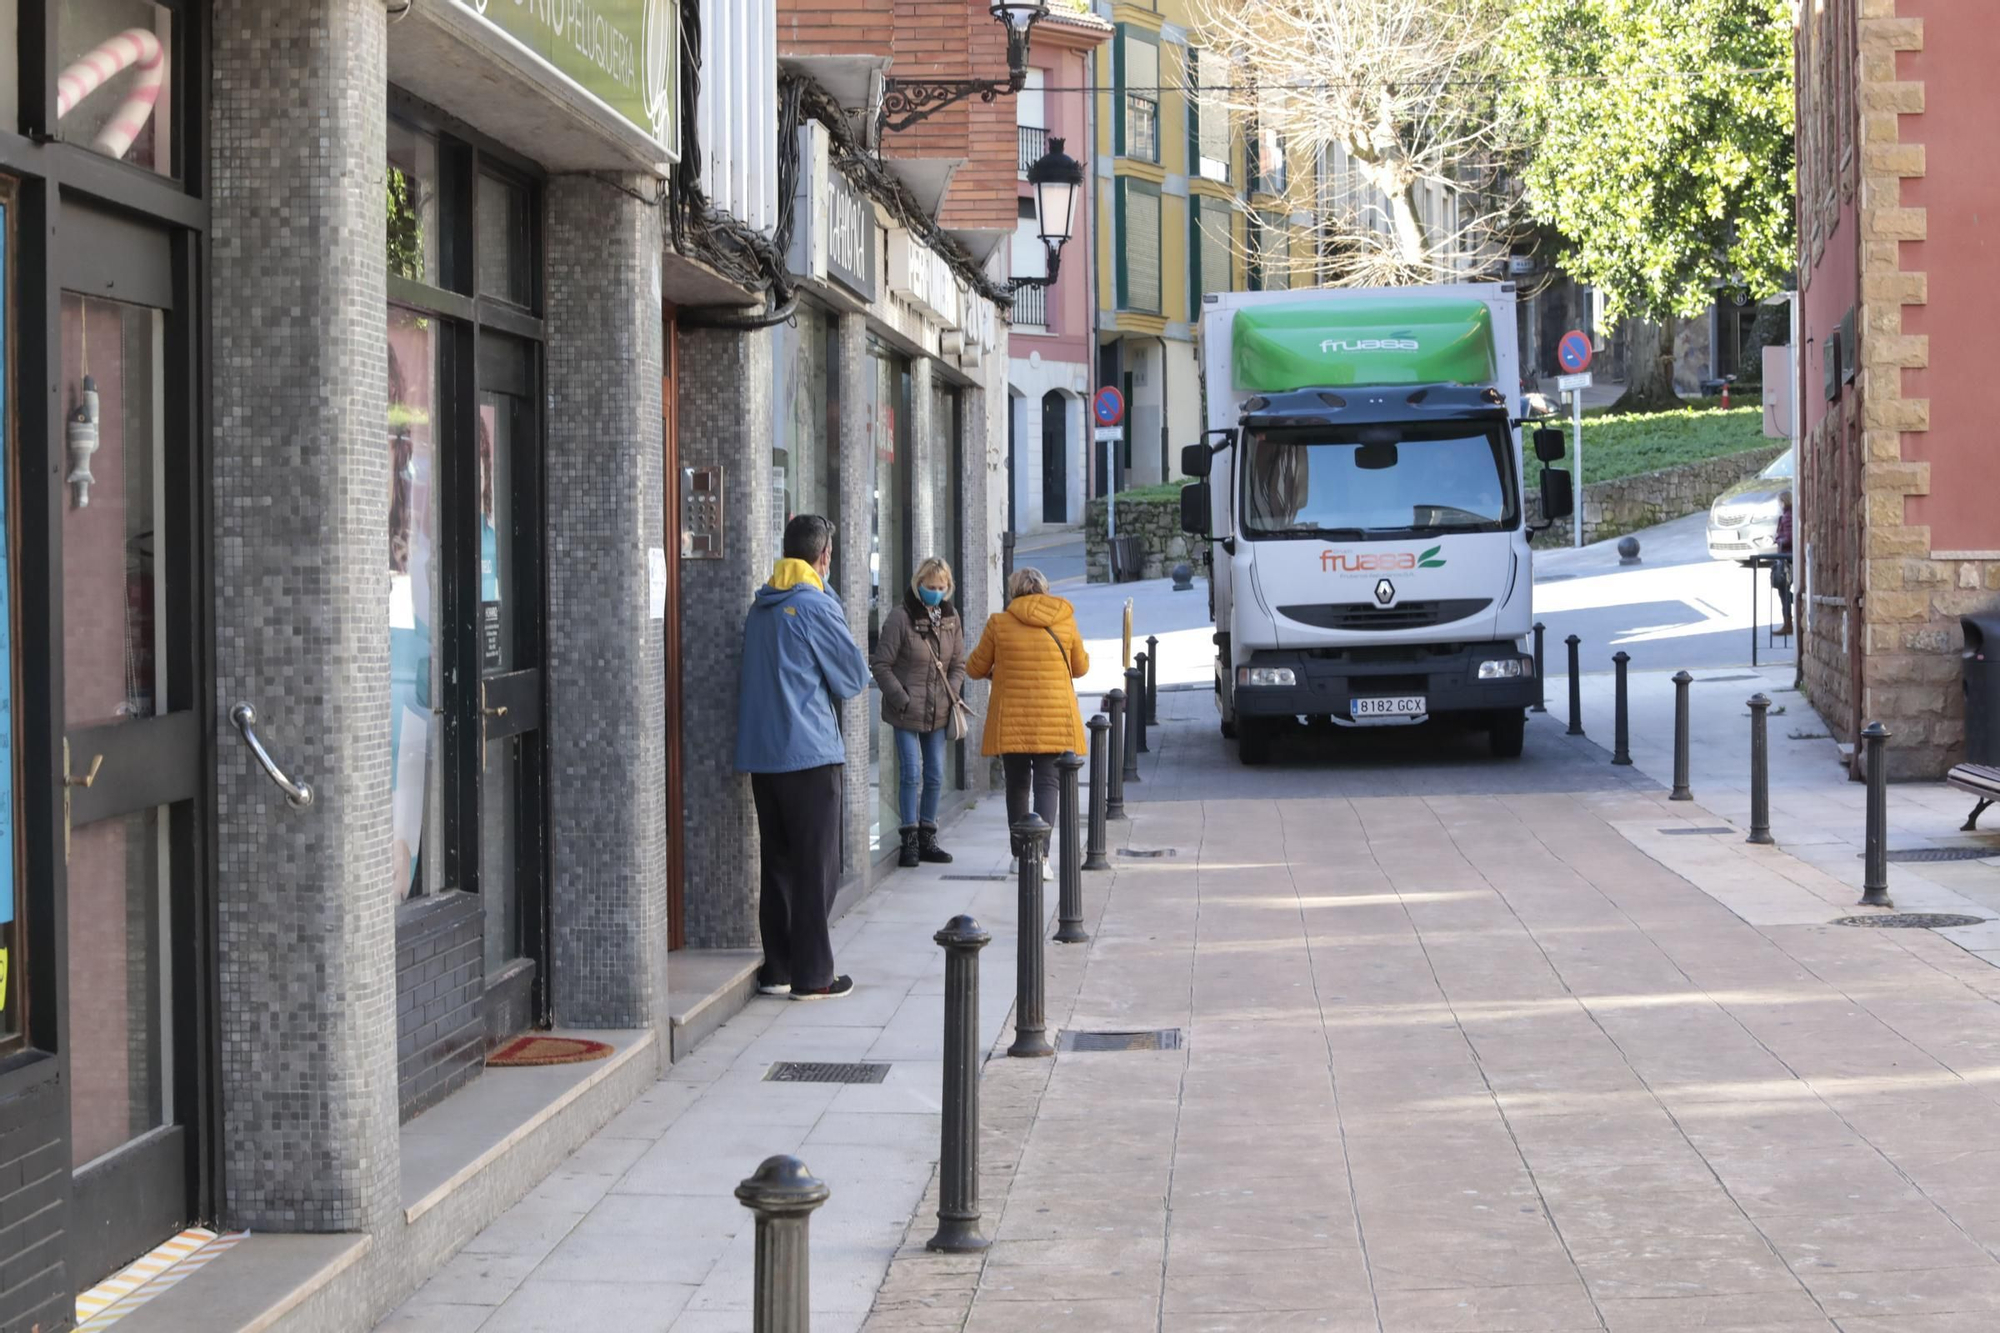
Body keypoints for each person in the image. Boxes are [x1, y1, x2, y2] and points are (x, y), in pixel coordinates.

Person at [734, 515, 870, 1001]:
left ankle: (778, 969)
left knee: (779, 864)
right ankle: (814, 976)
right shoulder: (815, 604)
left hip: (762, 757)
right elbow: (853, 677)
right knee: (817, 867)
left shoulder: (760, 607)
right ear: (824, 557)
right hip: (809, 755)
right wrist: (829, 598)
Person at [966, 567, 1089, 879]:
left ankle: (1021, 856)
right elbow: (1080, 667)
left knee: (1017, 786)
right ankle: (1042, 858)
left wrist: (1001, 670)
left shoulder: (999, 623)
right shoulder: (1064, 620)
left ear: (1013, 591)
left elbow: (975, 667)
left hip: (1013, 720)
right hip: (1054, 717)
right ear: (1044, 590)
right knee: (1048, 785)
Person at [869, 557, 968, 869]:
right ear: (918, 584)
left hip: (938, 711)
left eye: (941, 587)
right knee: (911, 773)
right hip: (906, 711)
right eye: (930, 587)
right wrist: (902, 698)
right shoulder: (900, 618)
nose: (936, 592)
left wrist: (950, 693)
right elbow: (881, 664)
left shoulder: (951, 620)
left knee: (935, 774)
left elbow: (958, 665)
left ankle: (928, 836)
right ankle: (908, 840)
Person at [1774, 489, 1794, 637]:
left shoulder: (1787, 517)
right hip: (1789, 557)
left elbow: (1789, 538)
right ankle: (1788, 622)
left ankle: (1788, 623)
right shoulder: (1791, 515)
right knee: (1784, 589)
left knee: (1783, 589)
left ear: (1783, 501)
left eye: (1779, 501)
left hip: (1787, 558)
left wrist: (1777, 540)